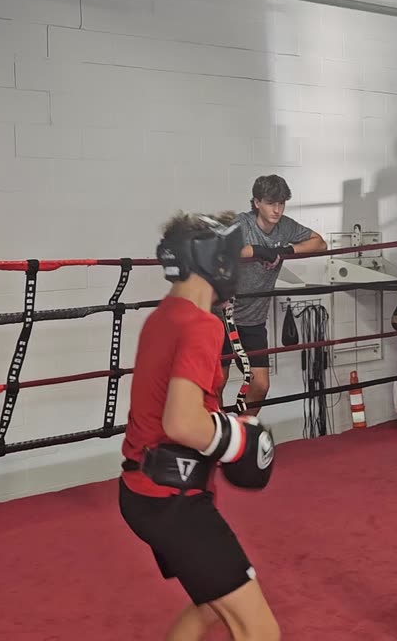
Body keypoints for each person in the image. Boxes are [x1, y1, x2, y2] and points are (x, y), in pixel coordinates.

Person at [119, 211, 281, 641]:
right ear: (217, 261)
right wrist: (239, 437)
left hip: (143, 490)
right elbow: (182, 422)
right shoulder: (200, 324)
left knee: (211, 607)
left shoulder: (165, 315)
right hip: (172, 499)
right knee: (260, 630)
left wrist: (225, 427)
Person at [222, 174, 326, 414]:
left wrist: (287, 249)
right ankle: (221, 440)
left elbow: (320, 243)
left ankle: (244, 432)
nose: (277, 210)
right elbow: (219, 249)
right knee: (217, 380)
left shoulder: (285, 226)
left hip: (254, 320)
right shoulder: (242, 224)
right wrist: (258, 250)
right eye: (271, 203)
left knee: (260, 385)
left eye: (281, 203)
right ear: (257, 202)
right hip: (222, 316)